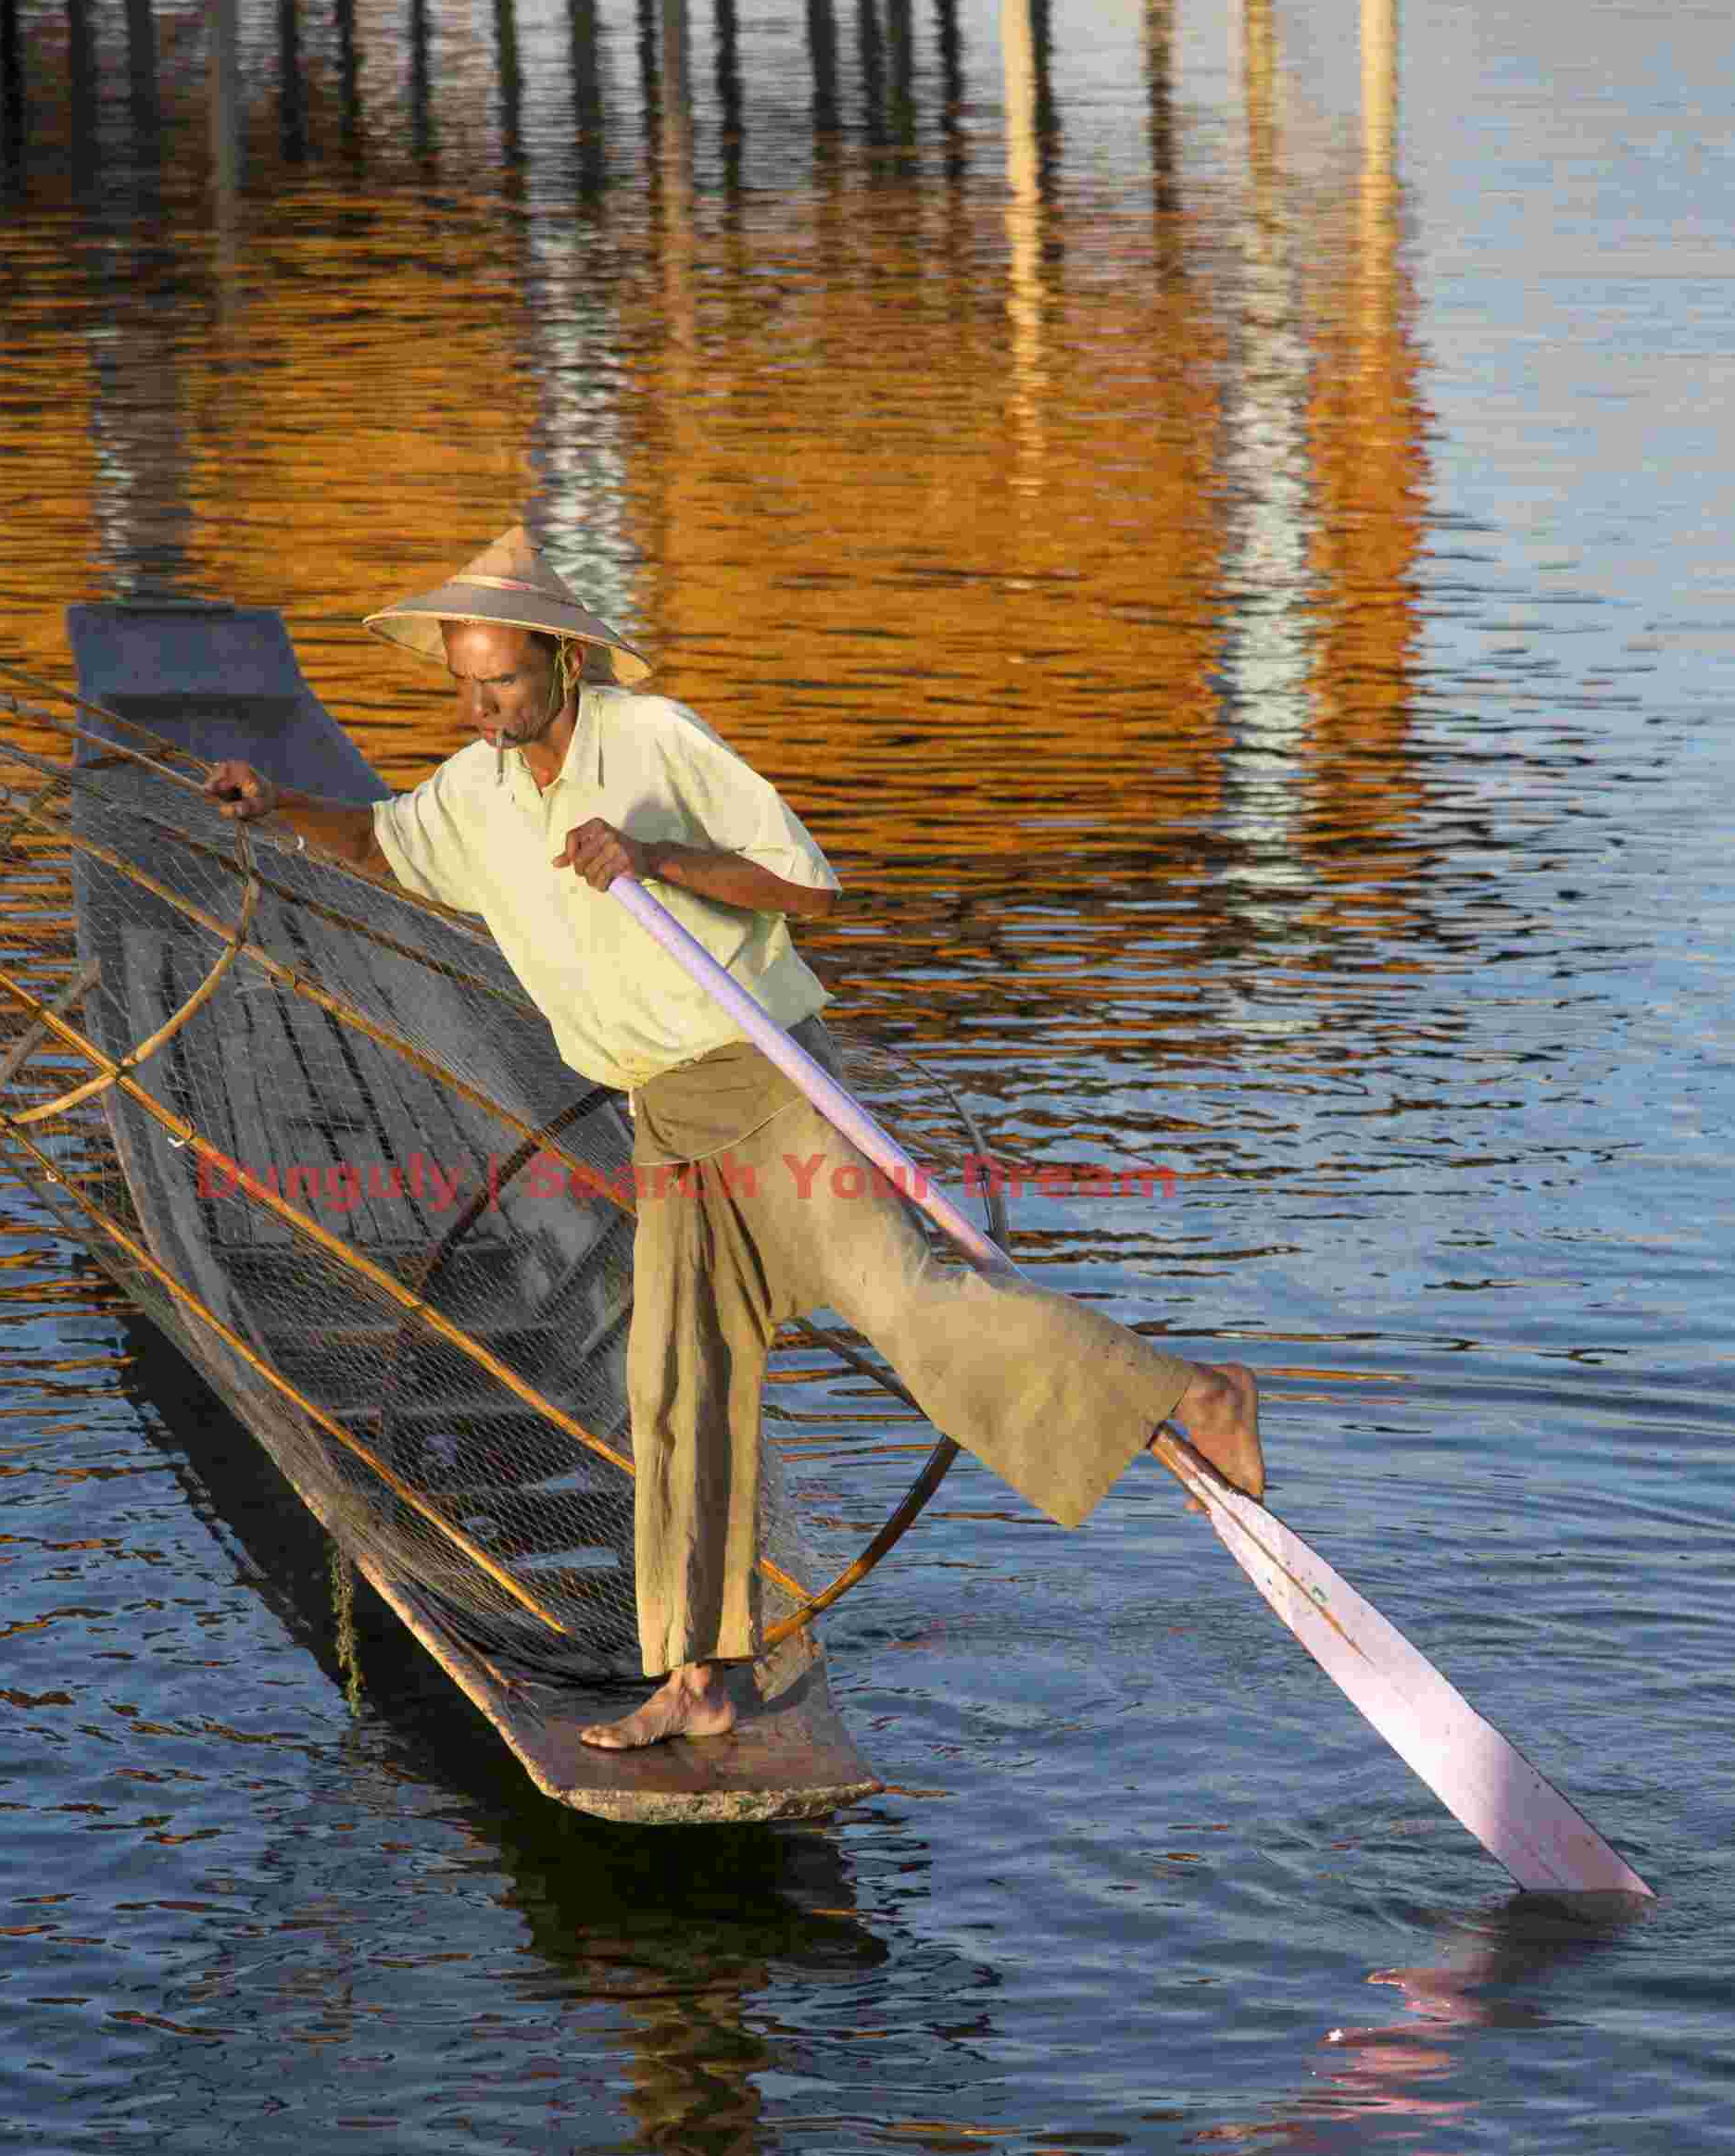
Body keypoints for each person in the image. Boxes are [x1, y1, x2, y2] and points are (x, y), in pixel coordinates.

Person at [202, 527, 1264, 1750]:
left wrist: (654, 857)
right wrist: (280, 807)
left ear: (561, 659)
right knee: (677, 1393)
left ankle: (1193, 1391)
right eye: (462, 684)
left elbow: (806, 885)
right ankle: (703, 1673)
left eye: (499, 681)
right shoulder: (477, 792)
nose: (478, 707)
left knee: (912, 1308)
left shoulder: (654, 740)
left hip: (766, 1084)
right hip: (666, 1119)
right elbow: (384, 841)